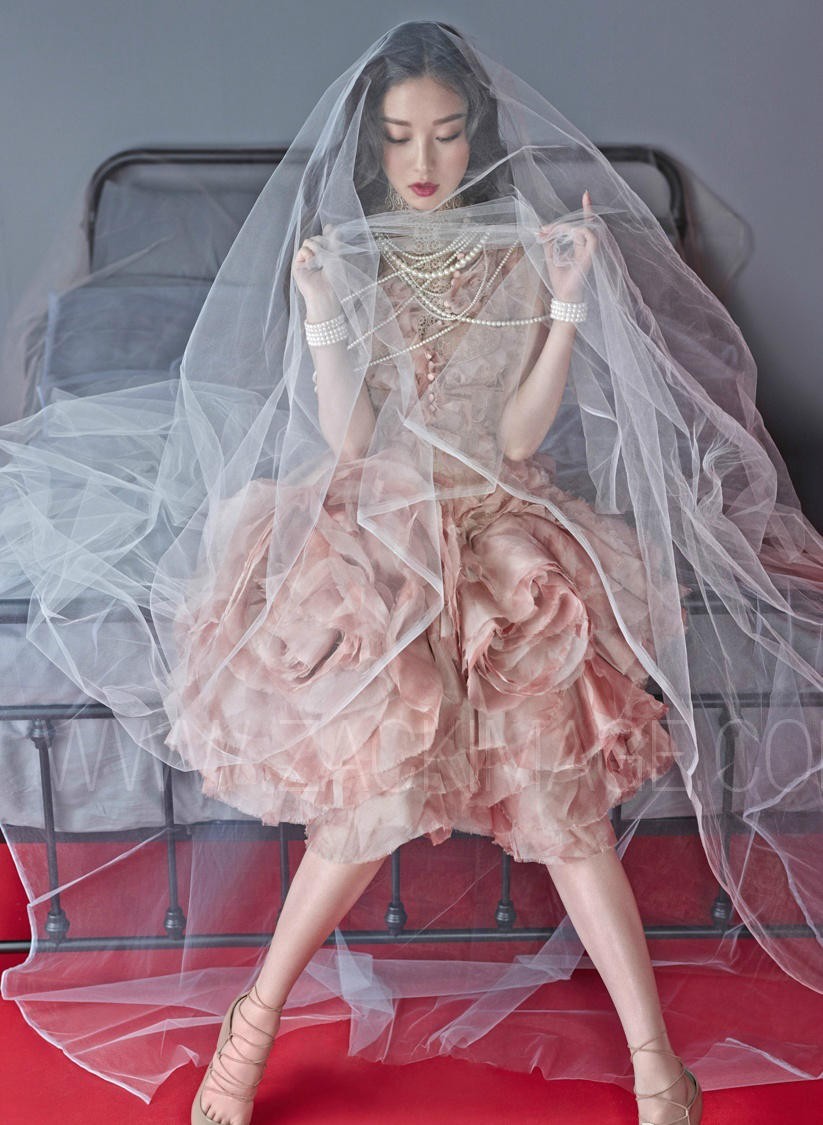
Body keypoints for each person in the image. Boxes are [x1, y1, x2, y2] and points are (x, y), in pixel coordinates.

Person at [1, 17, 821, 1125]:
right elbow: (348, 439)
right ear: (371, 147)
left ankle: (655, 1068)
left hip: (498, 522)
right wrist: (320, 312)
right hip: (380, 530)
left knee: (566, 813)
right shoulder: (347, 258)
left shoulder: (518, 250)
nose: (423, 161)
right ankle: (250, 1030)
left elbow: (519, 436)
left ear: (475, 135)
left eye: (443, 133)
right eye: (398, 137)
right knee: (367, 807)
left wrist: (566, 299)